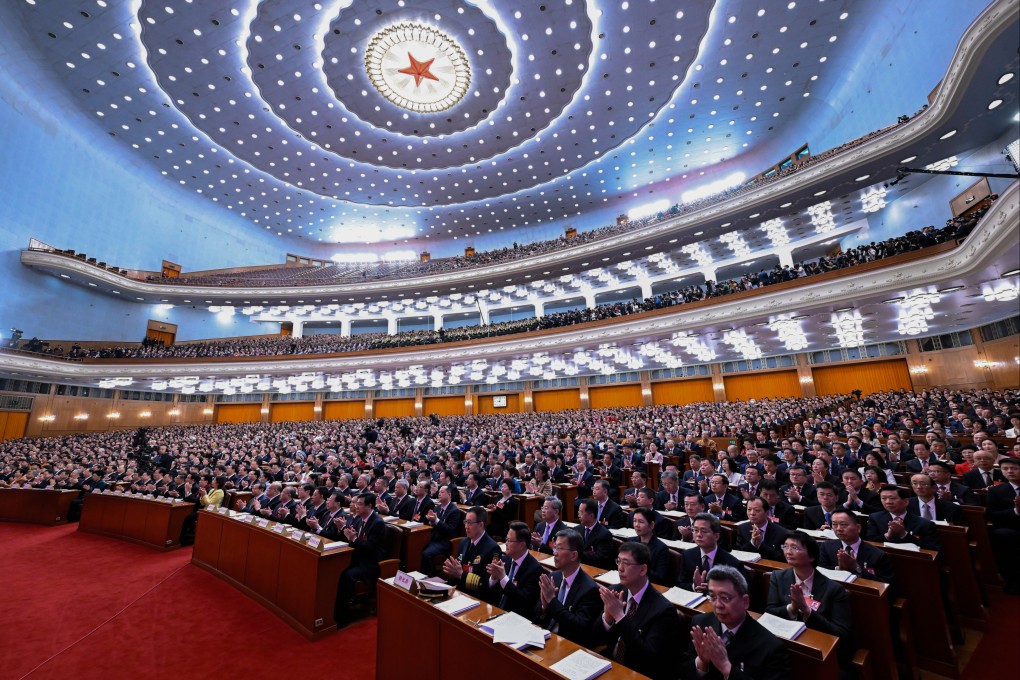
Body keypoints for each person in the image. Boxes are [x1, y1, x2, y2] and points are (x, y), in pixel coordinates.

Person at [592, 542, 685, 680]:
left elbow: (648, 656)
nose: (620, 568)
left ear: (643, 570)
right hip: (611, 666)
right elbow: (595, 638)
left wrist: (619, 616)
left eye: (626, 563)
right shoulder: (616, 590)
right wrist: (607, 618)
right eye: (618, 561)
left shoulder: (663, 610)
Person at [767, 532, 854, 678]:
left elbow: (841, 634)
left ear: (812, 556)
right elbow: (770, 612)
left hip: (821, 653)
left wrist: (807, 610)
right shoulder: (778, 577)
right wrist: (792, 608)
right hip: (787, 648)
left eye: (794, 547)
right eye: (786, 546)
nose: (788, 551)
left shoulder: (834, 589)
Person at [681, 565, 791, 680]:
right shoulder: (701, 623)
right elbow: (684, 672)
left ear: (745, 601)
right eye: (712, 597)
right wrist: (702, 662)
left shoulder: (771, 648)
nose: (718, 605)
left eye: (725, 598)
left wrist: (726, 667)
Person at [535, 529, 602, 647]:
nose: (554, 552)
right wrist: (544, 607)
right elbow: (536, 614)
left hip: (567, 645)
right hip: (544, 636)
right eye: (554, 547)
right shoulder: (553, 577)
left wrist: (552, 601)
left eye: (559, 548)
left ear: (573, 555)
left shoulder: (589, 589)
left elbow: (578, 627)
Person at [334, 492, 388, 627]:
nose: (356, 507)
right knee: (335, 569)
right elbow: (353, 537)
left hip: (370, 562)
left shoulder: (377, 523)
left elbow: (370, 547)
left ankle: (342, 616)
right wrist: (343, 530)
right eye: (356, 503)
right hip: (357, 555)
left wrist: (353, 539)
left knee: (346, 576)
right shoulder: (359, 519)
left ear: (369, 506)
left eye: (359, 504)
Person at [818, 509, 895, 584]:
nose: (838, 529)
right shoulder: (826, 546)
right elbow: (819, 569)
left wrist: (857, 568)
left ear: (858, 528)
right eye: (834, 524)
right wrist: (839, 569)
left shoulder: (878, 555)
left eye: (843, 524)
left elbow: (885, 584)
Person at [441, 506, 502, 599]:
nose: (466, 526)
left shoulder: (493, 549)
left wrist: (461, 574)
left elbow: (486, 583)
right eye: (465, 522)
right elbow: (458, 569)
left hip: (477, 597)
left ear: (481, 524)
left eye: (469, 523)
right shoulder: (463, 542)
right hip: (459, 592)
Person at [677, 513, 744, 592]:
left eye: (703, 531)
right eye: (695, 530)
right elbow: (681, 584)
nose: (698, 535)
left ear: (716, 536)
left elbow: (737, 593)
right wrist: (694, 586)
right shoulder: (687, 555)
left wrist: (711, 590)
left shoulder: (732, 563)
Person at [487, 522, 542, 618]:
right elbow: (493, 594)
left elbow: (524, 602)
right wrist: (494, 578)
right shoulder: (505, 559)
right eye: (506, 539)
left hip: (516, 617)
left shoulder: (534, 569)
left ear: (521, 545)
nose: (506, 543)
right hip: (496, 611)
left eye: (509, 540)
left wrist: (503, 578)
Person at [866, 485, 941, 551]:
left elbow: (932, 550)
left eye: (892, 498)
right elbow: (869, 542)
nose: (888, 502)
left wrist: (904, 534)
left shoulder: (925, 524)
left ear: (906, 502)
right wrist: (887, 536)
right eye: (884, 498)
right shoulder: (875, 517)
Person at [985, 457, 1020, 594]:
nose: (1010, 471)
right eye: (1005, 469)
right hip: (1010, 529)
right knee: (1001, 536)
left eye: (1014, 468)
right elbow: (991, 514)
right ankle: (1013, 581)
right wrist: (1015, 511)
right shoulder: (996, 491)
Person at [420, 484, 464, 575]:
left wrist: (436, 520)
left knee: (426, 554)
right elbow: (434, 525)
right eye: (439, 492)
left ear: (449, 494)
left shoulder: (454, 511)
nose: (439, 494)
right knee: (417, 547)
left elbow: (450, 529)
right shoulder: (437, 507)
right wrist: (431, 521)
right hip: (434, 538)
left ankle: (430, 577)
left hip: (445, 541)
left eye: (442, 492)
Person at [735, 497, 789, 562]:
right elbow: (738, 553)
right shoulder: (742, 528)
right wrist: (752, 543)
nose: (752, 513)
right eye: (749, 509)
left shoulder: (781, 532)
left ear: (767, 513)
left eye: (757, 510)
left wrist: (761, 544)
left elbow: (782, 557)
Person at [628, 507, 671, 585]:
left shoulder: (661, 548)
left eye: (641, 522)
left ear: (651, 525)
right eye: (634, 521)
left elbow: (660, 577)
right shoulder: (630, 542)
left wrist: (639, 567)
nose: (636, 525)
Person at [577, 498, 616, 569]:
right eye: (578, 512)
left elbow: (601, 559)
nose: (579, 515)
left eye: (581, 513)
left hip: (595, 569)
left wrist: (577, 554)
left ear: (591, 515)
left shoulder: (604, 534)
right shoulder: (577, 529)